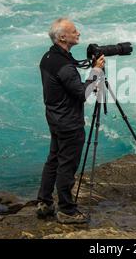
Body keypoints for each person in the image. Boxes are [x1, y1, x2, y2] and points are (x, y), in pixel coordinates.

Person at [36, 18, 105, 224]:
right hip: (68, 122)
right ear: (62, 37)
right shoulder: (64, 65)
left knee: (54, 159)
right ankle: (66, 210)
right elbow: (82, 93)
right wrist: (96, 71)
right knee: (67, 165)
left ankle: (44, 202)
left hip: (55, 118)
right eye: (74, 31)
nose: (79, 33)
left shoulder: (49, 57)